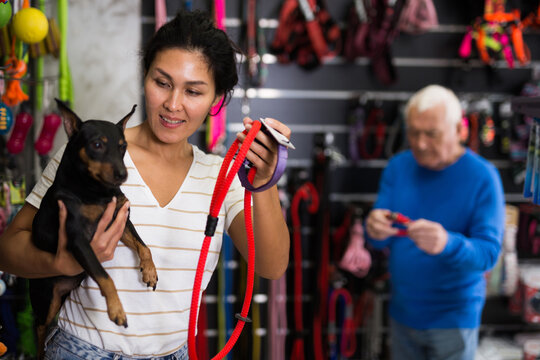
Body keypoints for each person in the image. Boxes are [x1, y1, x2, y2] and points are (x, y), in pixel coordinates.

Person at [0, 9, 290, 360]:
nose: (172, 104)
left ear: (216, 99)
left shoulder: (221, 177)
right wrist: (61, 264)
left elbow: (272, 266)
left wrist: (265, 181)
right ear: (145, 77)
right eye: (162, 82)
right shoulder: (88, 153)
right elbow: (7, 250)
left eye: (194, 91)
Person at [365, 84, 505, 360]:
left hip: (454, 320)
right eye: (414, 132)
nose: (420, 143)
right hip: (403, 313)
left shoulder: (483, 177)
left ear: (460, 130)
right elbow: (378, 238)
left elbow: (488, 254)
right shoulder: (399, 166)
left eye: (431, 134)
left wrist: (447, 244)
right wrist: (374, 228)